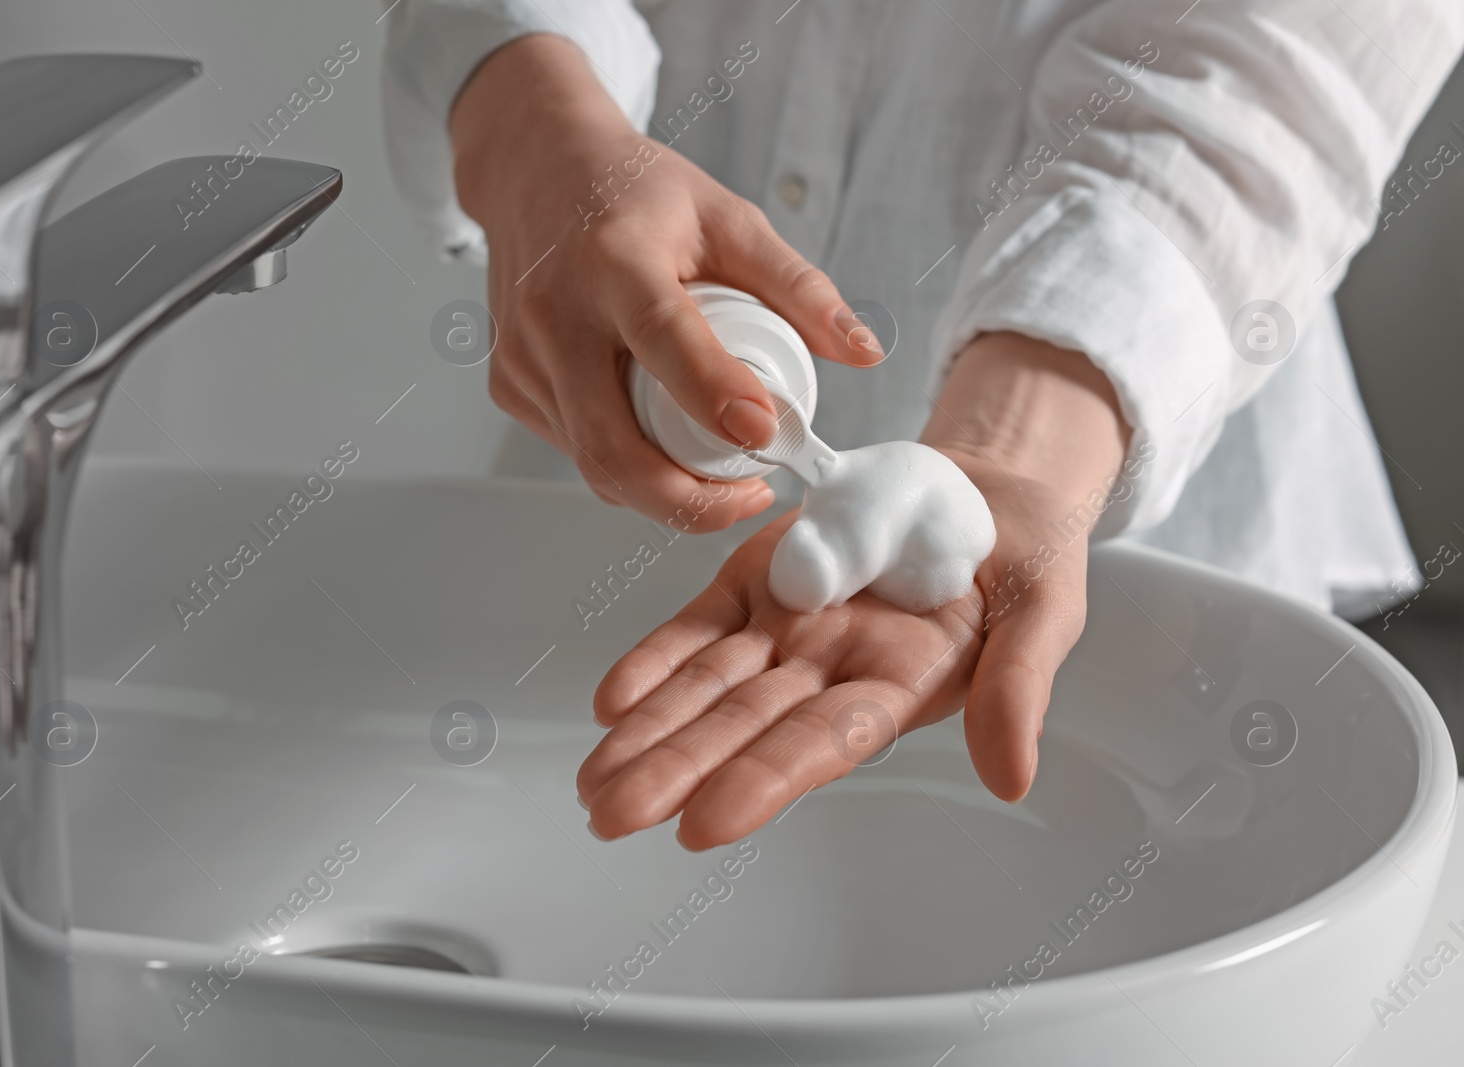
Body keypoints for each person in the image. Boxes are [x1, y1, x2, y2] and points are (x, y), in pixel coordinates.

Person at [381, 1, 1464, 849]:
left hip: (1143, 495)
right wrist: (530, 116)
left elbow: (1272, 75)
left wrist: (1022, 441)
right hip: (628, 399)